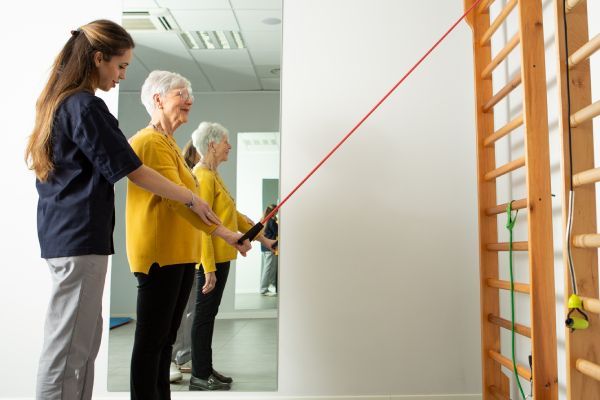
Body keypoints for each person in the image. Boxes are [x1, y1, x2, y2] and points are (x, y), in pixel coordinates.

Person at [27, 20, 221, 400]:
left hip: (72, 238)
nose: (122, 76)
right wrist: (191, 198)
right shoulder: (84, 105)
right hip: (78, 239)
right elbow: (131, 168)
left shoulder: (63, 104)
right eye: (121, 66)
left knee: (81, 345)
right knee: (67, 351)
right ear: (98, 58)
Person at [126, 71, 251, 400]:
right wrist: (225, 233)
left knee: (165, 340)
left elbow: (193, 206)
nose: (189, 100)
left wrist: (228, 234)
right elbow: (179, 202)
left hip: (181, 254)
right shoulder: (150, 142)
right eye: (181, 94)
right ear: (158, 100)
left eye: (189, 94)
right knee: (152, 342)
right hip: (159, 253)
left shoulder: (167, 143)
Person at [189, 122, 276, 391]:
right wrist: (209, 267)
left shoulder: (213, 175)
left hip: (221, 256)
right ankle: (200, 375)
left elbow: (234, 217)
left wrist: (263, 237)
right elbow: (201, 225)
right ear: (212, 145)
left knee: (209, 314)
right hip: (210, 260)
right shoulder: (202, 176)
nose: (229, 145)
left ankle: (205, 368)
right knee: (204, 315)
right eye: (226, 141)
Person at [168, 140, 201, 383]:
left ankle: (182, 356)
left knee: (189, 310)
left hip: (192, 252)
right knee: (177, 313)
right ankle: (171, 359)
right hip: (176, 253)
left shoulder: (197, 177)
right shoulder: (185, 176)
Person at [260, 205, 279, 296]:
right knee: (267, 269)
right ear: (274, 211)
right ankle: (263, 289)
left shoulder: (264, 220)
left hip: (264, 248)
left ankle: (265, 288)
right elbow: (278, 232)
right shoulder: (271, 221)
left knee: (266, 268)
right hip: (270, 247)